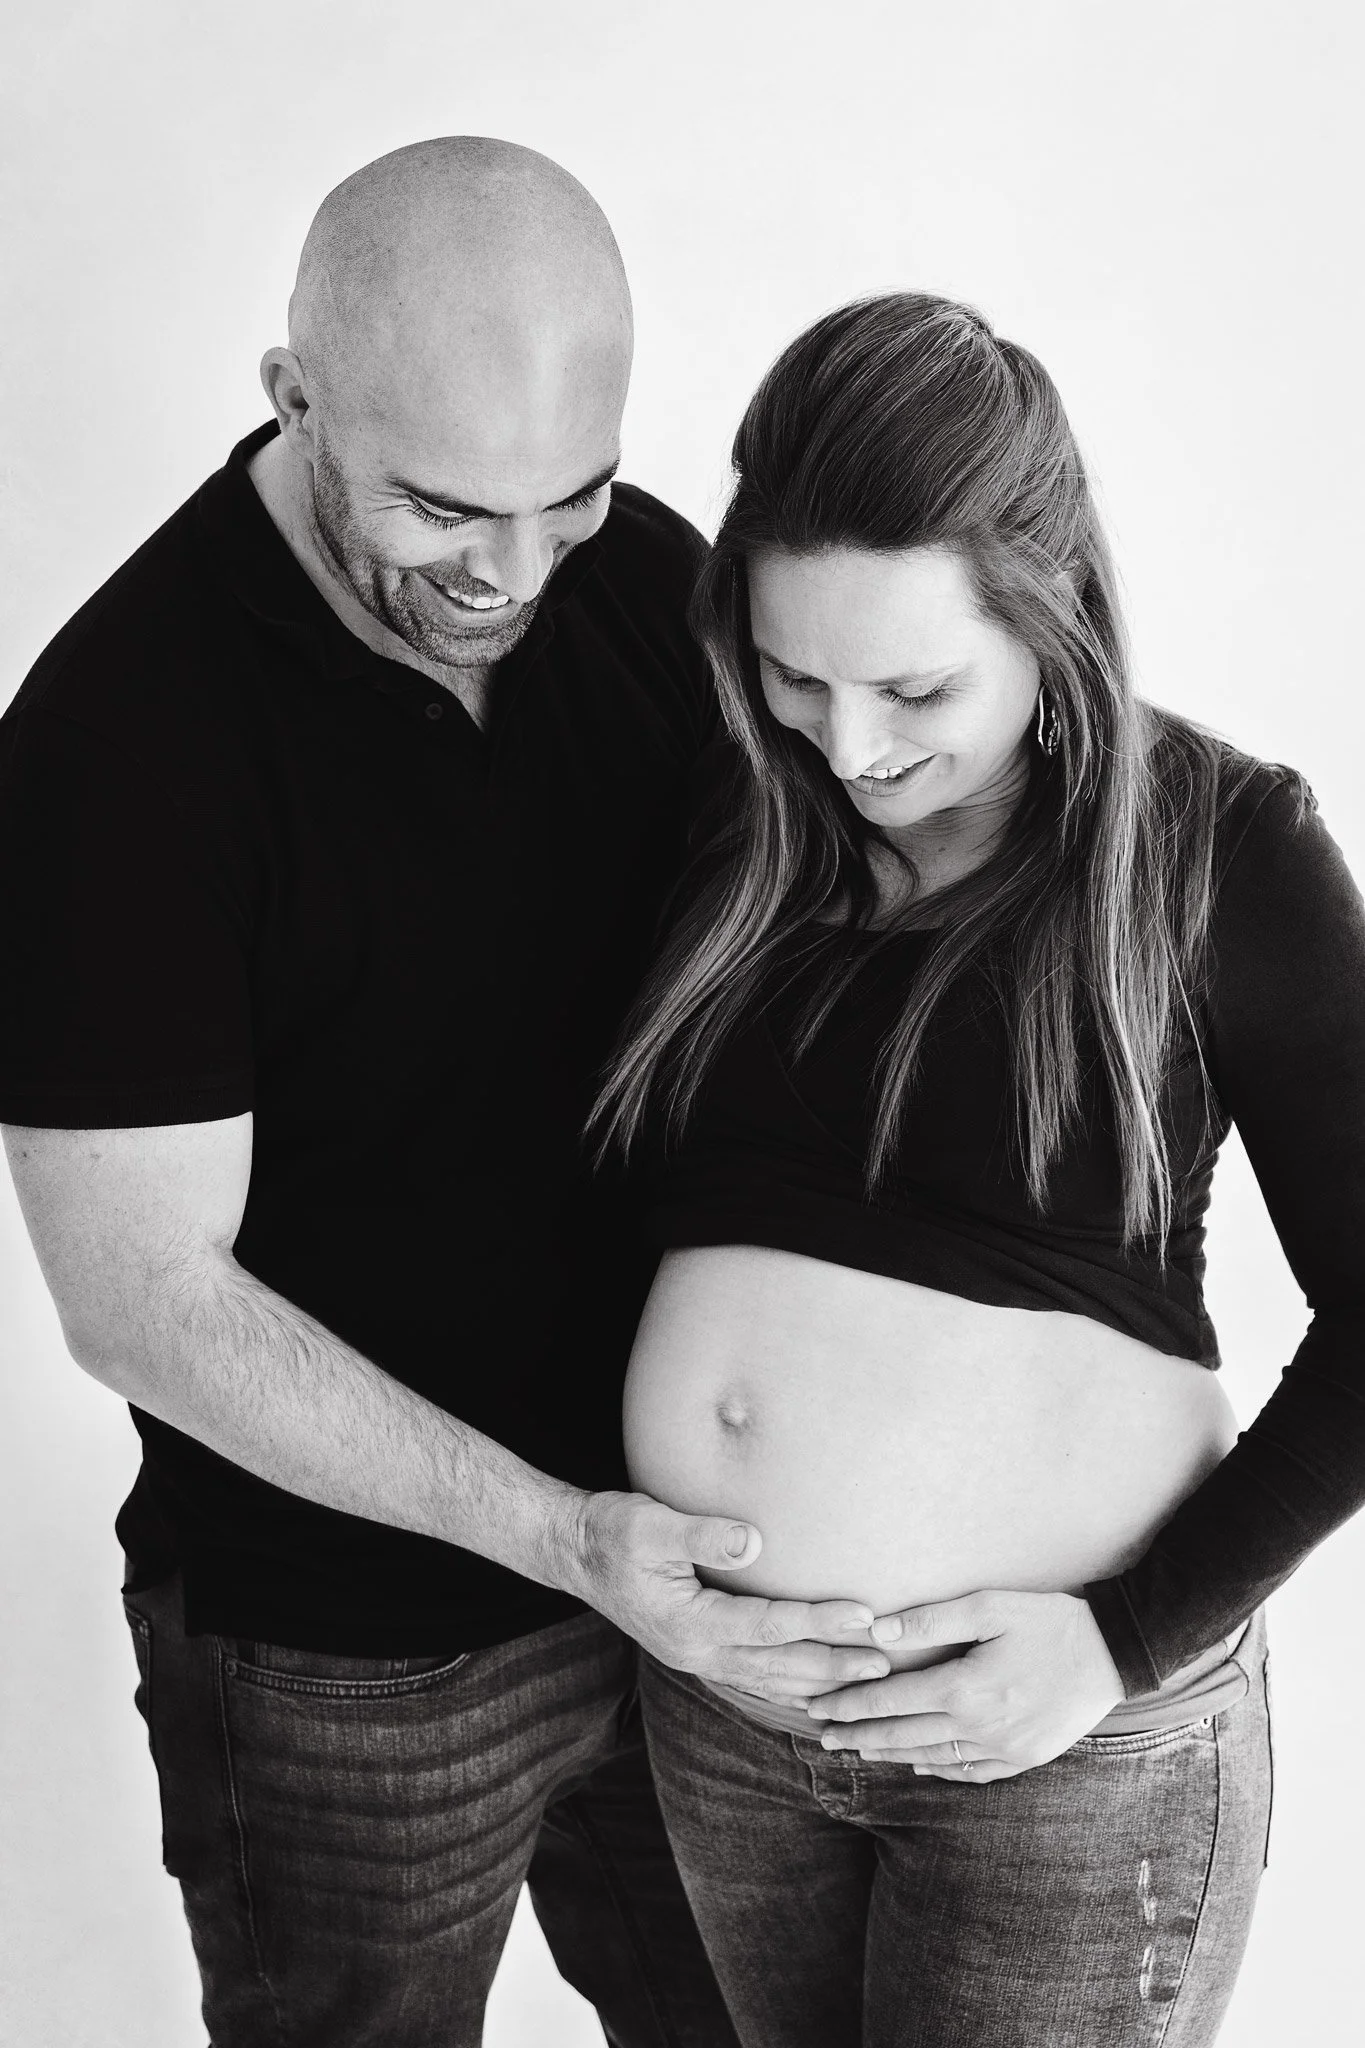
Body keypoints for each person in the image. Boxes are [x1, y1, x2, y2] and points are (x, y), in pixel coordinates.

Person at [0, 139, 885, 2048]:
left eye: (566, 498)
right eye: (440, 508)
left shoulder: (640, 583)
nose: (507, 575)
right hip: (344, 1663)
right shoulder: (112, 751)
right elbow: (139, 1299)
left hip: (690, 1592)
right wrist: (563, 1537)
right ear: (291, 395)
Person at [592, 292, 1365, 2046]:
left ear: (1054, 610)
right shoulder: (742, 824)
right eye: (796, 674)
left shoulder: (1222, 850)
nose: (850, 747)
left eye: (918, 686)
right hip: (732, 1727)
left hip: (1064, 1760)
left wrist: (1128, 1643)